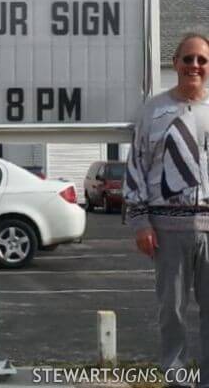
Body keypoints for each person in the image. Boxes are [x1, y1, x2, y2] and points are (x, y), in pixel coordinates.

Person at [124, 33, 209, 388]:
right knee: (171, 312)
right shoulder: (153, 111)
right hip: (166, 230)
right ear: (175, 63)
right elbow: (136, 166)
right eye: (188, 59)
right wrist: (141, 222)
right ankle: (177, 378)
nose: (194, 66)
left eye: (202, 60)